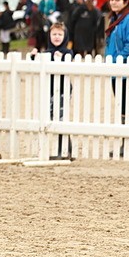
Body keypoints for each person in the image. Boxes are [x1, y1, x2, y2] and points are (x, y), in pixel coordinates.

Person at [105, 0, 129, 158]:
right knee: (121, 106)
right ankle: (125, 141)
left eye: (117, 0)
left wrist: (120, 58)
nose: (113, 2)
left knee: (127, 105)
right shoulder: (115, 19)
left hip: (126, 68)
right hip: (115, 68)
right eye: (112, 0)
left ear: (125, 2)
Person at [40, 22, 74, 159]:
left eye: (60, 34)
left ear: (65, 36)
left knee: (61, 119)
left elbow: (68, 64)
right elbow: (37, 63)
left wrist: (61, 59)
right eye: (54, 34)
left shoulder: (67, 52)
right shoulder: (46, 53)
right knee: (49, 118)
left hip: (62, 90)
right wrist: (33, 55)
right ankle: (53, 150)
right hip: (49, 90)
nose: (57, 37)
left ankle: (66, 150)